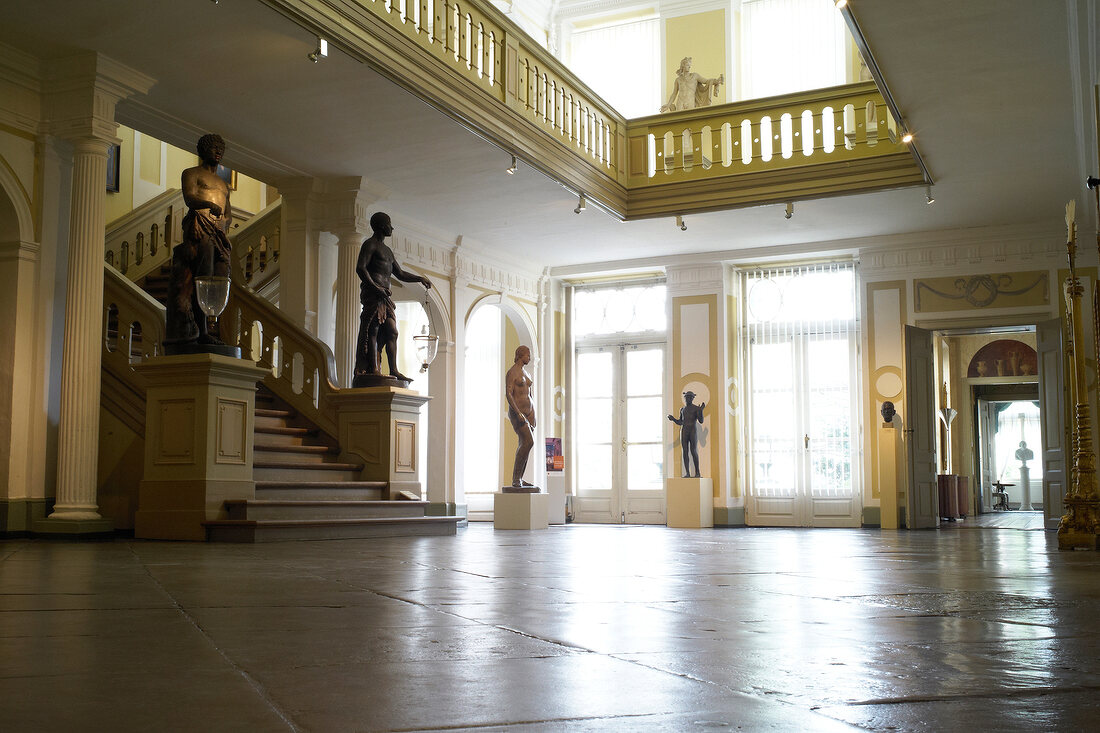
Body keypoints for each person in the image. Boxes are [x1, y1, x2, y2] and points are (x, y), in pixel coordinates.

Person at [165, 133, 232, 347]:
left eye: (220, 147)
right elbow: (189, 197)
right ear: (203, 150)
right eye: (213, 147)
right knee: (203, 276)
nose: (218, 151)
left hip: (218, 231)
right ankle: (200, 330)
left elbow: (228, 212)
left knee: (221, 275)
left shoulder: (223, 183)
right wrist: (208, 205)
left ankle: (212, 328)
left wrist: (225, 223)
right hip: (200, 225)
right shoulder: (191, 173)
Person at [352, 212, 432, 383]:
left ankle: (393, 369)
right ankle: (373, 368)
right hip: (373, 294)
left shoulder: (387, 250)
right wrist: (375, 287)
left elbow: (400, 273)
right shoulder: (370, 244)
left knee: (392, 331)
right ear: (381, 226)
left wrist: (420, 278)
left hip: (385, 297)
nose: (392, 228)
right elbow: (361, 268)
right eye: (389, 224)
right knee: (372, 330)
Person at [505, 345, 536, 488]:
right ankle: (515, 478)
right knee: (528, 442)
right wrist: (518, 413)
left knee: (525, 445)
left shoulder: (527, 374)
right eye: (527, 355)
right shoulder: (513, 372)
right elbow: (509, 394)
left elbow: (530, 396)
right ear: (521, 355)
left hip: (528, 414)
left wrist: (533, 414)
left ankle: (520, 479)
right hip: (518, 414)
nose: (529, 357)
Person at [668, 391, 705, 478]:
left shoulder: (696, 408)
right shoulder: (682, 409)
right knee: (685, 451)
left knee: (693, 451)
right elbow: (681, 422)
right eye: (686, 398)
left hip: (692, 430)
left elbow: (701, 421)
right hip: (684, 430)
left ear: (692, 398)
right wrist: (673, 419)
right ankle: (687, 473)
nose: (687, 399)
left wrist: (701, 411)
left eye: (689, 397)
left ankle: (697, 472)